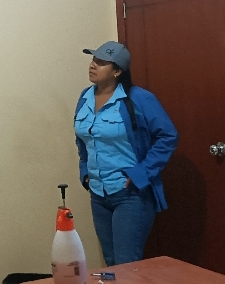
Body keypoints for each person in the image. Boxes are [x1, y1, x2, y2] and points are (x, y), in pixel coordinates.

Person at [74, 41, 178, 265]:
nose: (93, 65)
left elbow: (168, 136)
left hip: (130, 194)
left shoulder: (139, 99)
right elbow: (83, 139)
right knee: (111, 263)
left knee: (127, 264)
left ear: (117, 71)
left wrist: (143, 172)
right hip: (98, 194)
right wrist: (85, 171)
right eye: (93, 60)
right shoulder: (85, 98)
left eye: (102, 62)